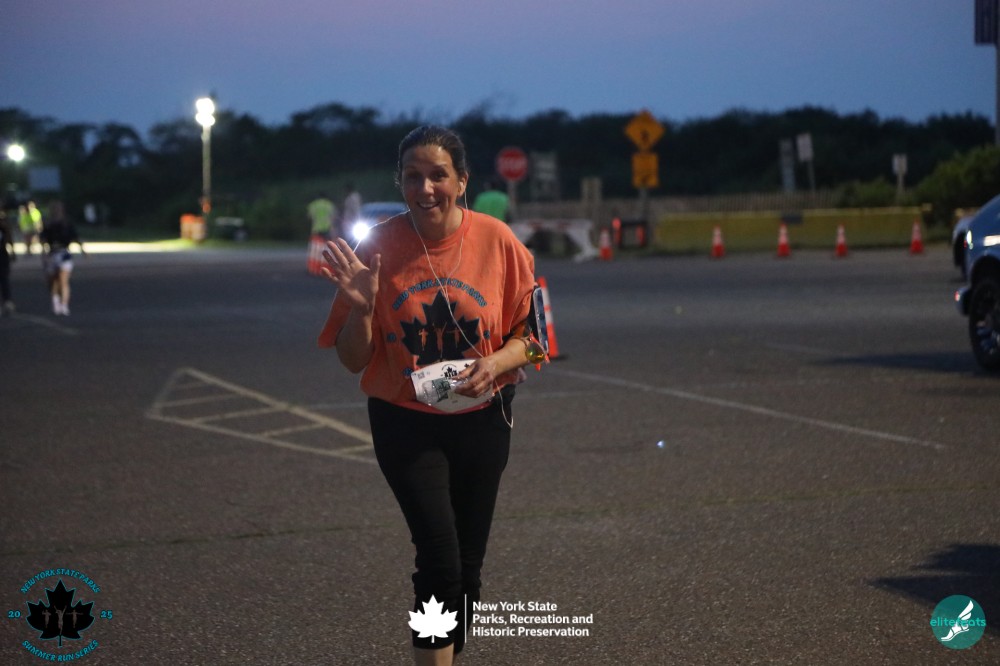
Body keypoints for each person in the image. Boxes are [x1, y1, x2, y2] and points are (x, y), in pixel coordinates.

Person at [317, 126, 540, 666]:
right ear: (400, 182)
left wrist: (494, 364)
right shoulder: (377, 248)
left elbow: (534, 342)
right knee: (438, 562)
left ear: (461, 182)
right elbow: (352, 360)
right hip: (405, 422)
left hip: (484, 419)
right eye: (413, 176)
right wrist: (362, 310)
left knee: (466, 571)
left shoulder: (499, 242)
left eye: (438, 175)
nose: (426, 188)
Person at [39, 200, 86, 316]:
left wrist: (83, 251)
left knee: (63, 280)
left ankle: (64, 304)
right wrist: (44, 253)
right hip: (52, 253)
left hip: (64, 253)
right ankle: (56, 301)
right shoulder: (48, 224)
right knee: (53, 281)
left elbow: (75, 237)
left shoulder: (67, 224)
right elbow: (43, 240)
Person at [0, 211, 16, 316]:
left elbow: (9, 238)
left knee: (4, 278)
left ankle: (7, 301)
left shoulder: (3, 227)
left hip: (2, 254)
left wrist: (12, 251)